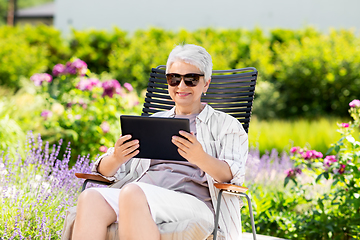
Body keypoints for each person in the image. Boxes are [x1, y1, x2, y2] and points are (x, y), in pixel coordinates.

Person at [70, 44, 248, 240]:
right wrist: (116, 157)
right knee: (91, 197)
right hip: (143, 195)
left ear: (206, 84)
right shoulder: (152, 122)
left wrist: (200, 157)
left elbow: (233, 176)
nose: (181, 86)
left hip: (195, 203)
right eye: (174, 78)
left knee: (132, 193)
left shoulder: (227, 125)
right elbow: (105, 172)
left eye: (191, 79)